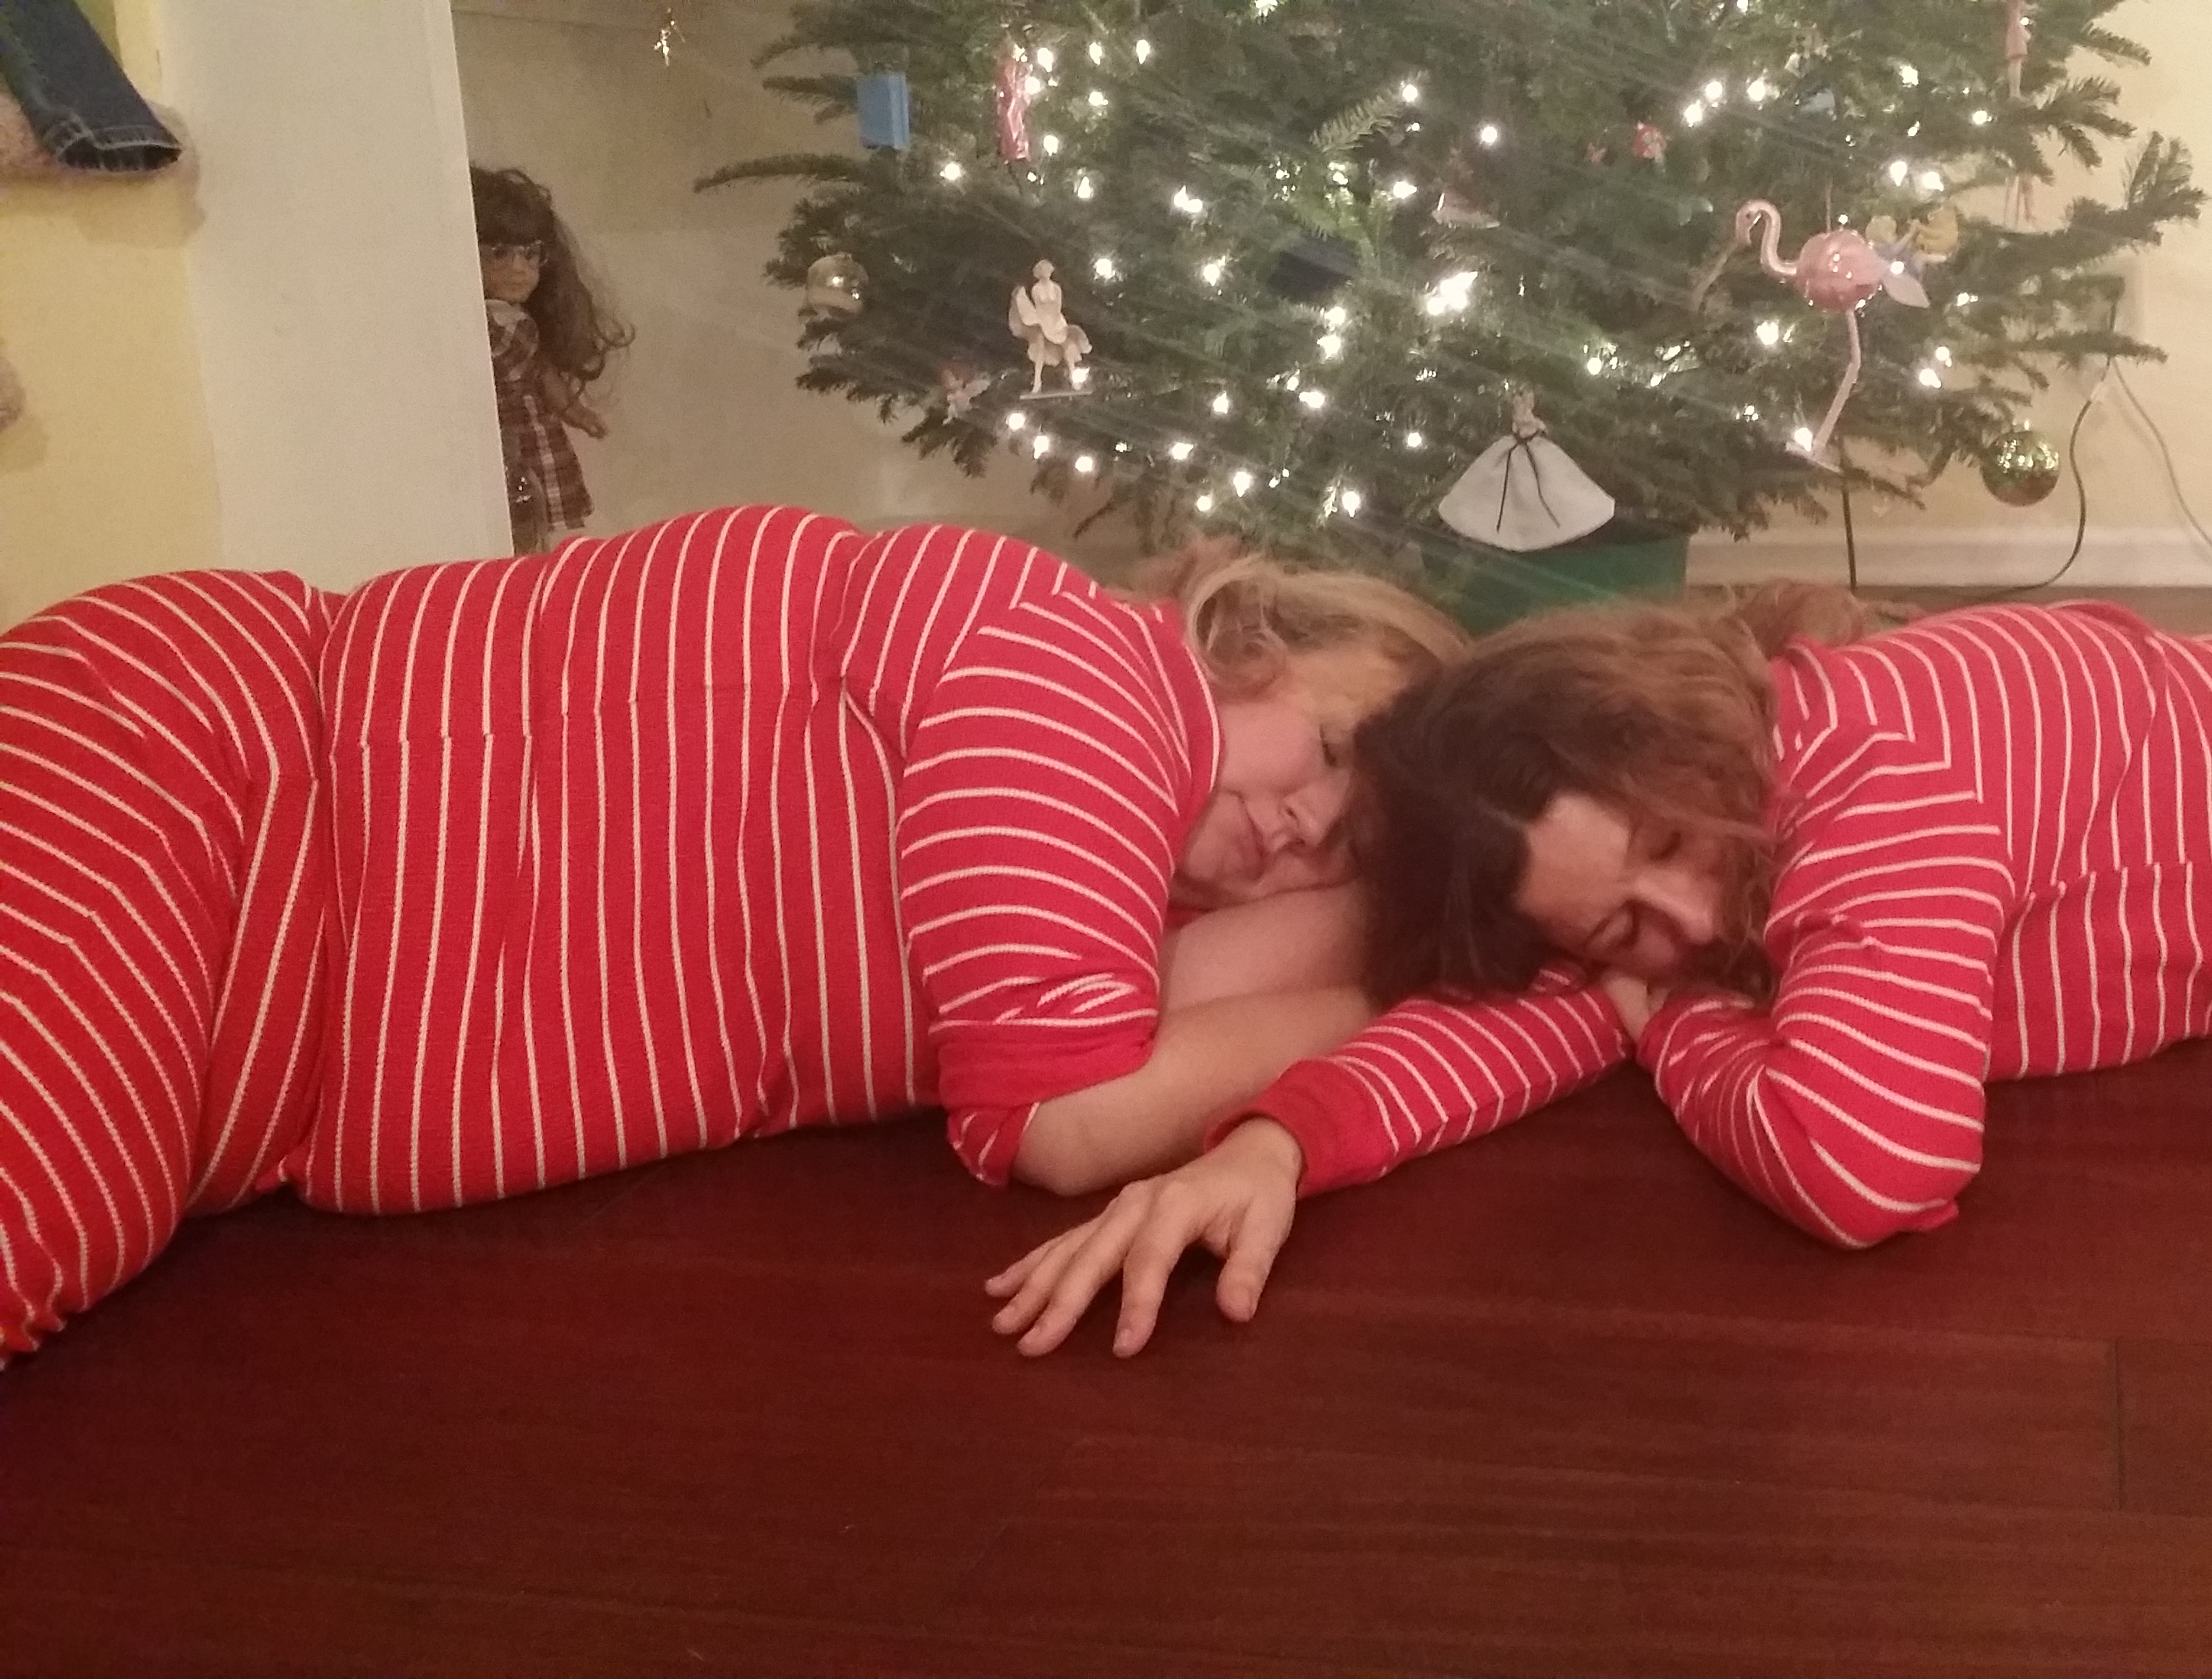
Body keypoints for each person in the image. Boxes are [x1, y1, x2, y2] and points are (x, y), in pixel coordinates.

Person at [986, 0, 2212, 1357]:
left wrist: (1673, 1021)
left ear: (1667, 741)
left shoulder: (1872, 815)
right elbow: (1534, 1014)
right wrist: (1278, 1139)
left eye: (1666, 863)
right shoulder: (1758, 746)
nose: (1687, 918)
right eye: (1630, 925)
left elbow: (1865, 1167)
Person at [0, 506, 1461, 1361]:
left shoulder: (1105, 885)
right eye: (1333, 748)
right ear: (1262, 638)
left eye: (1350, 851)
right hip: (217, 792)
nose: (1306, 825)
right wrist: (1400, 980)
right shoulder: (1076, 673)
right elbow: (1061, 1118)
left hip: (256, 1041)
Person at [474, 166, 631, 553]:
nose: (519, 269)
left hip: (534, 435)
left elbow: (541, 370)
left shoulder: (518, 321)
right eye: (499, 253)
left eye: (530, 254)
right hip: (499, 437)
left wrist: (573, 410)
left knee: (536, 524)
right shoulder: (478, 324)